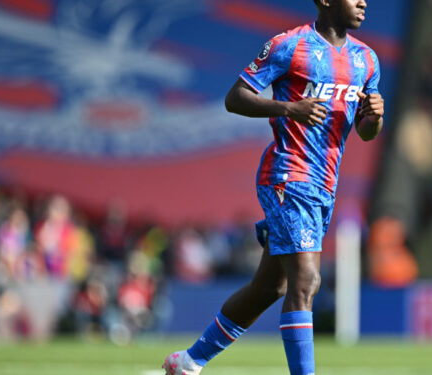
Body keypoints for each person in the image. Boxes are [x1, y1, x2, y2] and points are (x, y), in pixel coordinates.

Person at [163, 0, 383, 374]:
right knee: (306, 281)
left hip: (324, 185)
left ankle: (188, 361)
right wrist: (287, 109)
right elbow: (236, 97)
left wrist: (374, 116)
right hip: (287, 176)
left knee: (271, 288)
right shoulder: (290, 46)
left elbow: (365, 132)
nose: (363, 2)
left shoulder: (367, 60)